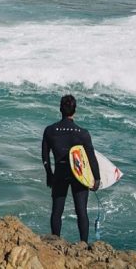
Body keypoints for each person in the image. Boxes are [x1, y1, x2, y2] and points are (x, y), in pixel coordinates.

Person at [41, 95, 100, 243]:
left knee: (56, 211)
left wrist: (49, 174)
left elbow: (45, 156)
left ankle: (55, 242)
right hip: (79, 175)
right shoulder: (83, 133)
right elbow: (91, 158)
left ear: (60, 109)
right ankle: (83, 245)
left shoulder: (50, 130)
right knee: (81, 212)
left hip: (59, 174)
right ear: (75, 110)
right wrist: (96, 178)